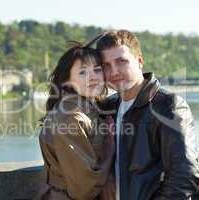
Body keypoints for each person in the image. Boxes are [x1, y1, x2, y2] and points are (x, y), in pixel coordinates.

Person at [90, 30, 199, 200]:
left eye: (121, 61)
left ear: (139, 61)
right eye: (106, 65)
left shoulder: (168, 106)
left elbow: (185, 174)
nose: (114, 71)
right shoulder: (107, 107)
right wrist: (105, 177)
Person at [35, 42, 115, 200]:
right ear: (68, 81)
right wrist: (110, 147)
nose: (93, 77)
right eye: (83, 72)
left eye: (97, 70)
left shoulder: (86, 107)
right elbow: (84, 188)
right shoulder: (70, 117)